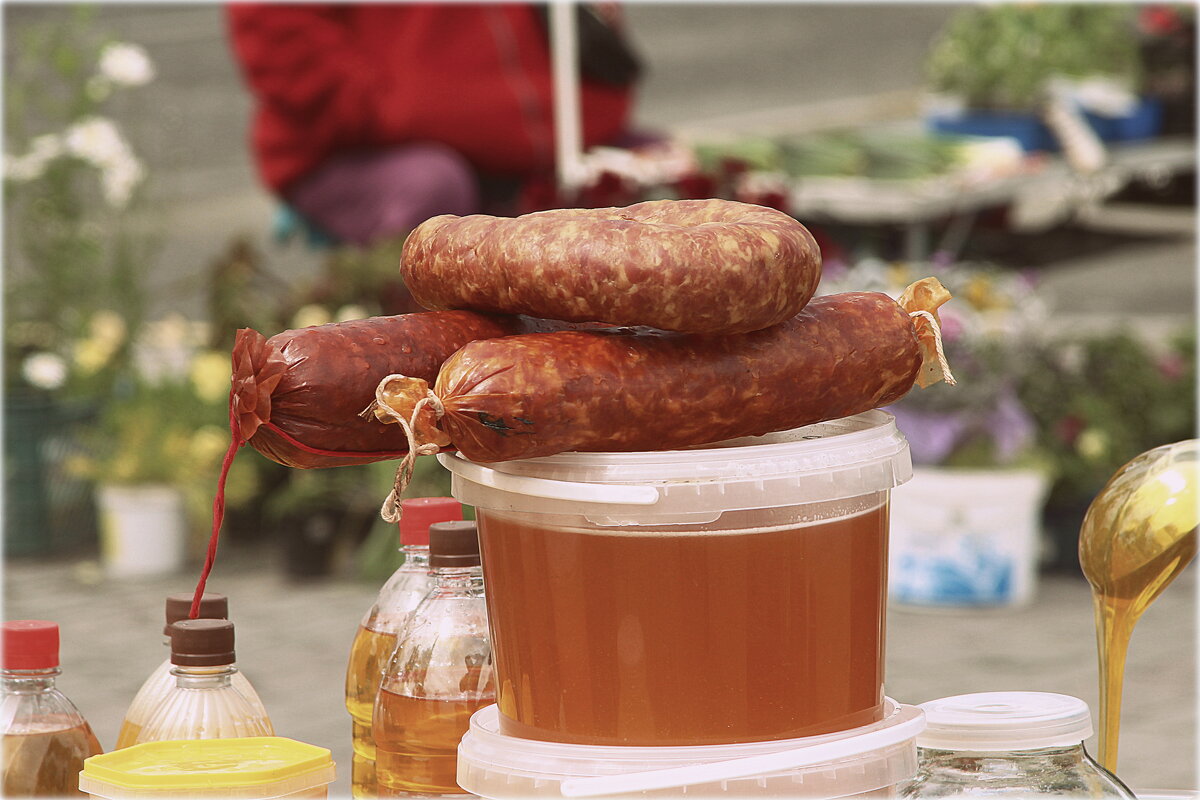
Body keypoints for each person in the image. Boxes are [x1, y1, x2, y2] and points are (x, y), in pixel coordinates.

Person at [226, 3, 644, 247]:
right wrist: (381, 107)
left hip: (511, 146)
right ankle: (422, 379)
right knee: (436, 196)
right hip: (359, 149)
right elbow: (273, 23)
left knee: (666, 177)